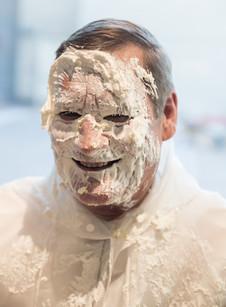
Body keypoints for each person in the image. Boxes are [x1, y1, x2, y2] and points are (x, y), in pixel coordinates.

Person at [0, 19, 226, 307]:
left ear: (167, 116)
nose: (88, 144)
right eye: (69, 114)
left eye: (117, 117)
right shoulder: (6, 220)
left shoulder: (219, 245)